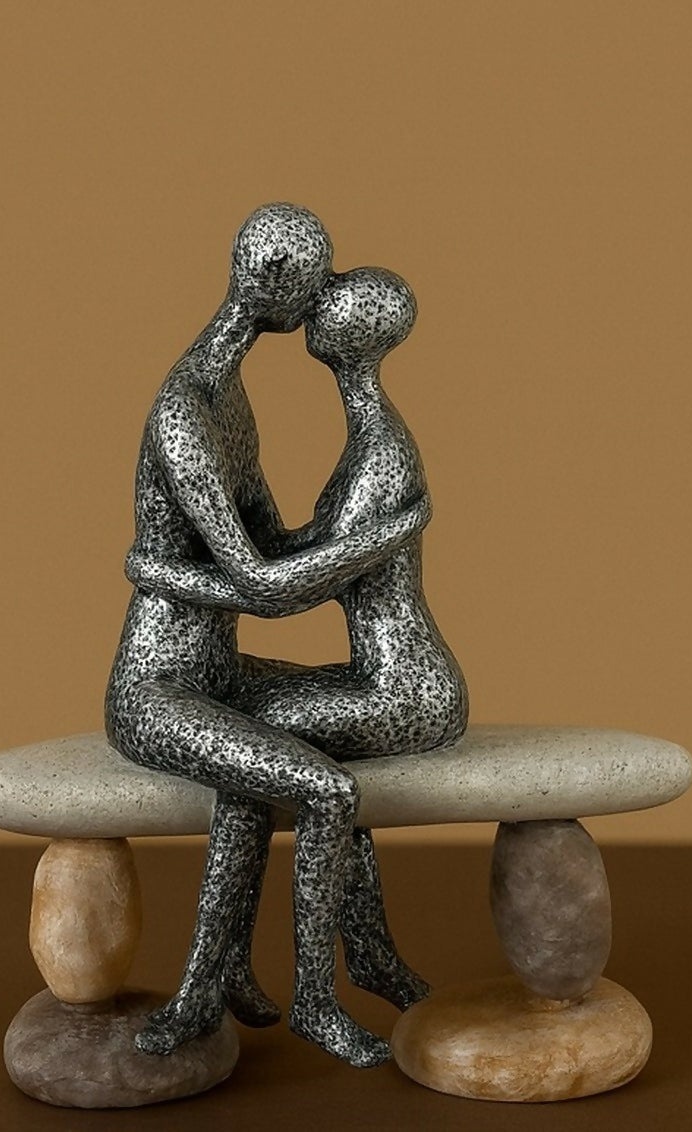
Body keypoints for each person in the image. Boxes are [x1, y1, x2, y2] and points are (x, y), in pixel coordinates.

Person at [103, 205, 430, 1066]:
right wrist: (388, 534)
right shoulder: (186, 411)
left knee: (287, 750)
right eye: (317, 282)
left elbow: (274, 549)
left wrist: (163, 571)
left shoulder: (231, 398)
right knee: (325, 791)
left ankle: (220, 975)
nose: (325, 297)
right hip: (159, 689)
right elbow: (263, 588)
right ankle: (305, 1000)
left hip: (217, 673)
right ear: (278, 280)